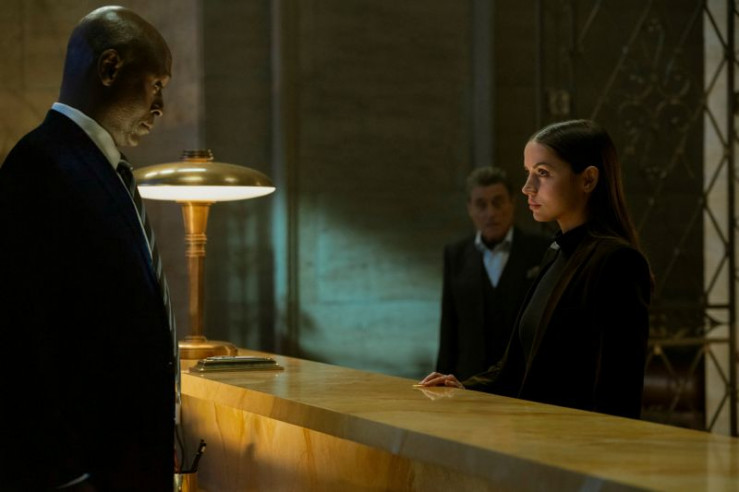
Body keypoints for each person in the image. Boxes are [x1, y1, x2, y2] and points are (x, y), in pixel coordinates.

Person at [0, 6, 175, 490]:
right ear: (110, 68)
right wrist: (66, 477)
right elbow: (18, 338)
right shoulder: (41, 167)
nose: (161, 106)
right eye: (156, 84)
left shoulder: (98, 168)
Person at [420, 119, 652, 419]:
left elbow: (618, 392)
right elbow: (516, 367)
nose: (528, 187)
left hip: (573, 440)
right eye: (528, 172)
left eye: (542, 173)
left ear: (588, 180)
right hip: (531, 433)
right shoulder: (555, 252)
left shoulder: (618, 261)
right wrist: (463, 387)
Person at [436, 167, 550, 381]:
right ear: (470, 208)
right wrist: (441, 378)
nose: (490, 213)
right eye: (481, 205)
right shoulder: (456, 255)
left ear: (512, 203)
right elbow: (449, 326)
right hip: (469, 378)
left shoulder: (541, 250)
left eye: (498, 202)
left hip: (524, 379)